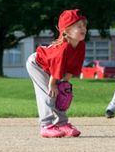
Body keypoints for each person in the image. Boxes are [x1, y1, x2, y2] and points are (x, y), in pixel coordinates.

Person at [26, 9, 87, 138]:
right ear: (67, 31)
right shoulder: (63, 48)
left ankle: (62, 123)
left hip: (52, 69)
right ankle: (46, 125)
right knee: (50, 94)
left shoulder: (81, 46)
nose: (83, 28)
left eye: (84, 25)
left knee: (61, 94)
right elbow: (56, 68)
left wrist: (64, 84)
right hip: (37, 64)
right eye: (78, 26)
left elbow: (73, 68)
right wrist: (53, 84)